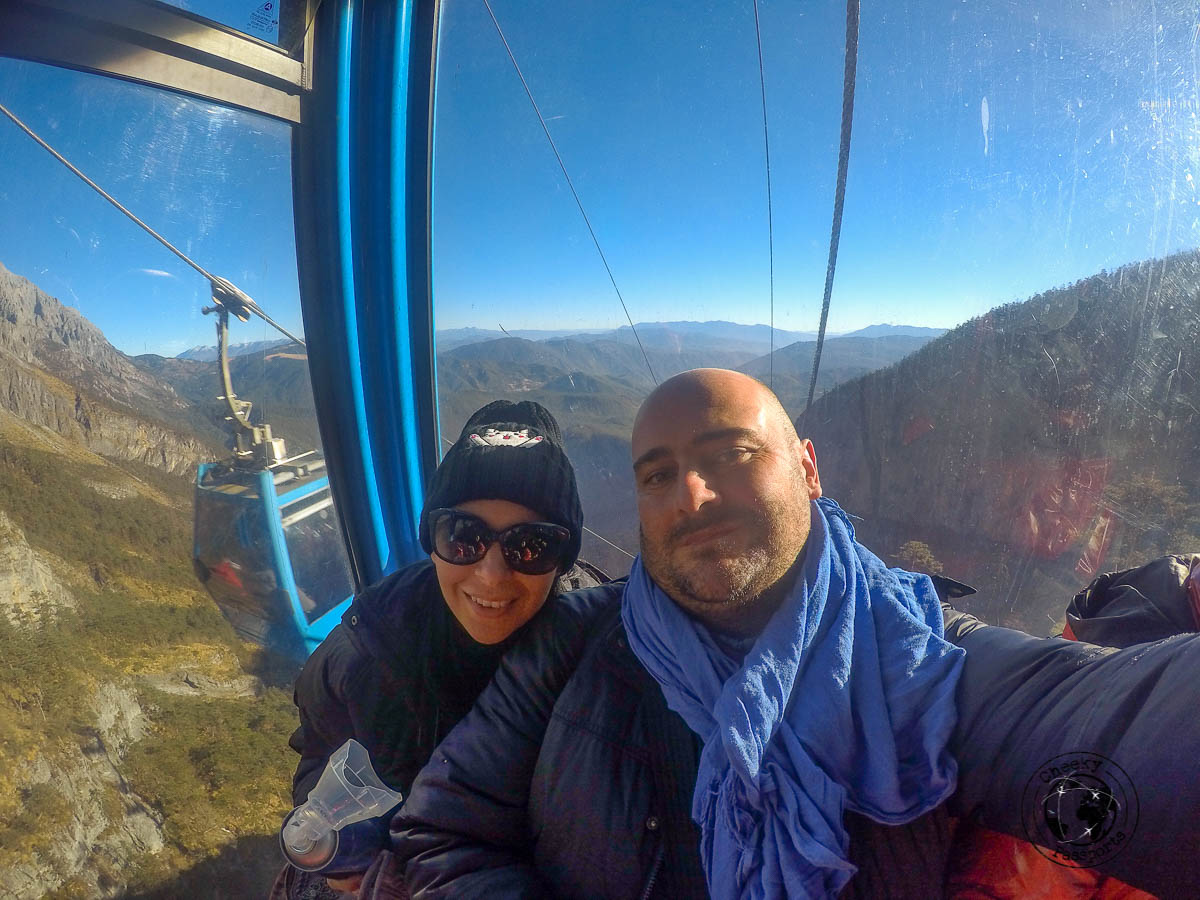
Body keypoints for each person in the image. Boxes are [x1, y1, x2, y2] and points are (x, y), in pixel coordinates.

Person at [392, 369, 1200, 898]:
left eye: (730, 453)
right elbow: (444, 832)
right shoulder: (568, 646)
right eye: (657, 475)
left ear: (809, 468)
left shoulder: (919, 653)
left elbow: (1123, 726)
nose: (693, 495)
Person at [270, 400, 608, 899]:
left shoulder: (602, 655)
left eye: (531, 544)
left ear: (564, 559)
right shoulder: (370, 646)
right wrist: (342, 839)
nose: (491, 574)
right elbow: (321, 748)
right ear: (432, 540)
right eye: (464, 537)